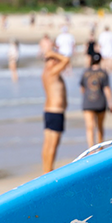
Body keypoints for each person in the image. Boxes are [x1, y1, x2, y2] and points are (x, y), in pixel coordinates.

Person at [40, 36, 71, 173]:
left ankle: (46, 171)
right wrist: (52, 53)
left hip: (50, 111)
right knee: (52, 145)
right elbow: (66, 60)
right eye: (54, 59)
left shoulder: (48, 72)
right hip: (55, 112)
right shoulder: (51, 71)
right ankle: (48, 172)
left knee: (48, 145)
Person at [80, 52, 112, 148]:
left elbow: (82, 88)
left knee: (89, 128)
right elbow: (107, 89)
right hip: (100, 102)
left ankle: (91, 149)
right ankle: (100, 147)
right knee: (100, 127)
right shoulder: (103, 73)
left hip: (88, 103)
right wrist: (110, 103)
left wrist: (86, 97)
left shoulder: (85, 72)